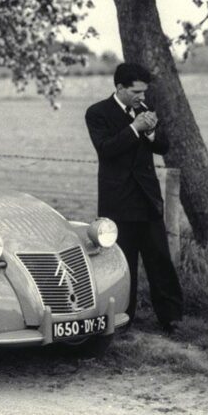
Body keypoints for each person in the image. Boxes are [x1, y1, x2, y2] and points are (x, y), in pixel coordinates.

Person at [85, 63, 183, 334]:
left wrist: (151, 132)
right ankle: (123, 318)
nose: (142, 96)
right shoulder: (97, 113)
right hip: (118, 201)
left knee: (159, 259)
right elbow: (106, 149)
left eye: (144, 91)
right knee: (122, 262)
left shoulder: (144, 110)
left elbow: (163, 146)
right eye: (136, 92)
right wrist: (134, 128)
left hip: (147, 199)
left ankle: (172, 318)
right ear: (119, 88)